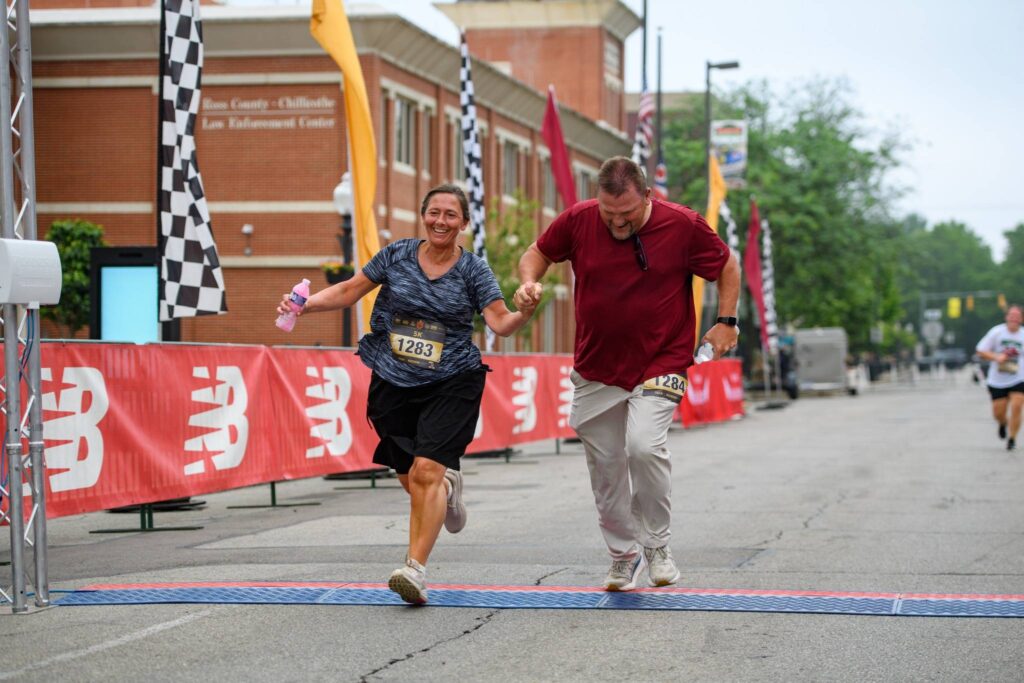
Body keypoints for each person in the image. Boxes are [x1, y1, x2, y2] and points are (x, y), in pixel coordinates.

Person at [278, 184, 537, 604]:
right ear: (423, 216)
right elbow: (349, 289)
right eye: (434, 212)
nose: (440, 221)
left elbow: (501, 323)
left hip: (452, 380)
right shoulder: (397, 254)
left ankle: (414, 568)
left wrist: (524, 309)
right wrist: (303, 306)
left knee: (424, 473)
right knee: (410, 476)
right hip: (393, 377)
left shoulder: (474, 271)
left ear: (464, 224)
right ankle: (447, 493)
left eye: (451, 215)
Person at [514, 156, 740, 591]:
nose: (617, 222)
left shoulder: (683, 225)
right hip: (597, 366)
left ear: (648, 197)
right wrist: (529, 282)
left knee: (643, 446)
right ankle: (623, 554)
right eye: (609, 213)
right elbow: (537, 253)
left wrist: (726, 322)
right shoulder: (579, 219)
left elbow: (726, 266)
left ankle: (657, 545)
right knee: (606, 466)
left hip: (662, 358)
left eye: (628, 214)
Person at [975, 305, 1024, 451]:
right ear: (1006, 317)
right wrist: (997, 357)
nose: (1014, 318)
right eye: (1012, 315)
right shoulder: (996, 332)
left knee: (1017, 406)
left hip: (1019, 378)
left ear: (1021, 319)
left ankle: (1012, 438)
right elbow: (980, 351)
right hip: (998, 380)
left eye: (1017, 316)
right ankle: (1003, 423)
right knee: (998, 412)